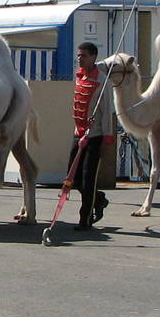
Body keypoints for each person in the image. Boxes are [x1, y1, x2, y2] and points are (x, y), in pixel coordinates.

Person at [68, 41, 114, 232]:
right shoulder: (79, 76)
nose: (80, 58)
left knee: (88, 180)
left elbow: (107, 112)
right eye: (79, 55)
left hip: (94, 137)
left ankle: (84, 219)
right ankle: (99, 199)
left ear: (94, 57)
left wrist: (107, 139)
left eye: (84, 55)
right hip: (78, 135)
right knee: (72, 179)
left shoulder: (103, 82)